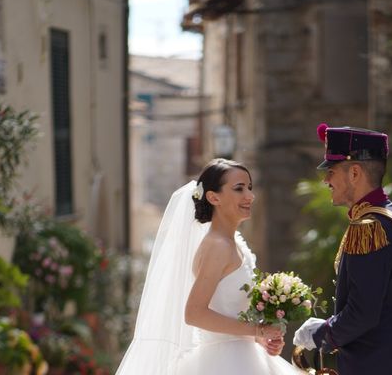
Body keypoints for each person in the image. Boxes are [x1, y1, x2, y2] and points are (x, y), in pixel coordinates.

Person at [116, 158, 303, 375]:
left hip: (244, 357)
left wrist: (260, 337)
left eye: (249, 188)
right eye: (239, 189)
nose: (250, 196)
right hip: (224, 363)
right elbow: (194, 313)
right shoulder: (217, 246)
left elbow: (229, 312)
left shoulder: (235, 243)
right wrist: (258, 330)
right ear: (213, 197)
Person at [293, 124, 392, 375]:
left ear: (354, 172)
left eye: (331, 171)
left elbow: (362, 313)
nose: (326, 180)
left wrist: (322, 334)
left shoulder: (369, 227)